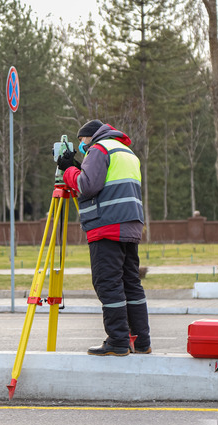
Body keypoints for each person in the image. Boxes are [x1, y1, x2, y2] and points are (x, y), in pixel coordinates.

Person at [57, 119, 151, 356]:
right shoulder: (125, 151)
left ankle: (118, 341)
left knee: (108, 284)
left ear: (89, 137)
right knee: (131, 283)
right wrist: (79, 167)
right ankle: (141, 342)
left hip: (107, 225)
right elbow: (107, 183)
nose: (81, 147)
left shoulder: (98, 149)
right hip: (130, 225)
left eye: (81, 142)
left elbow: (87, 186)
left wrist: (68, 168)